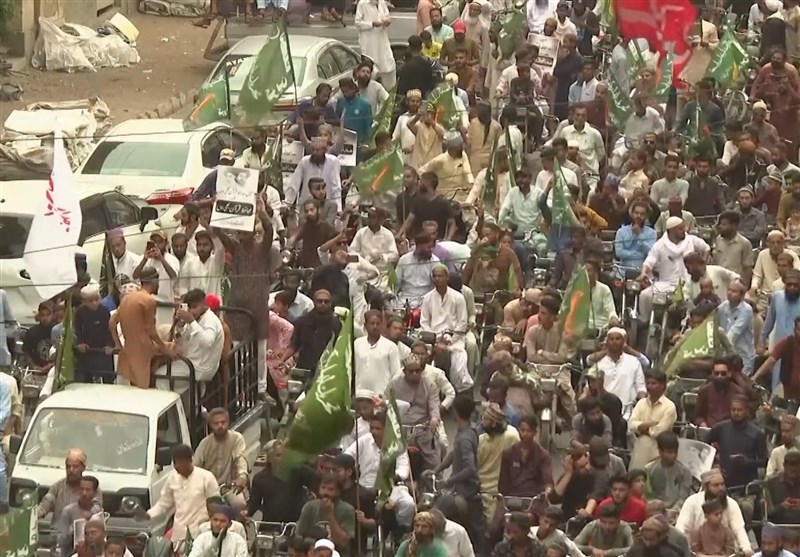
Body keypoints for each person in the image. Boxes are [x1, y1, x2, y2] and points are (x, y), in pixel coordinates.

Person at [343, 411, 415, 529]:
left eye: (378, 428)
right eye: (372, 428)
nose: (374, 432)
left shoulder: (397, 444)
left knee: (408, 504)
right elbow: (348, 456)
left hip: (392, 487)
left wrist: (392, 476)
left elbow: (404, 468)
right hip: (366, 487)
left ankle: (402, 532)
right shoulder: (364, 440)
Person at [636, 216, 709, 324]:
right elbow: (649, 261)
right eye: (680, 229)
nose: (684, 230)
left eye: (683, 228)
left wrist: (703, 265)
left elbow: (706, 248)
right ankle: (645, 323)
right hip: (666, 284)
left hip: (689, 283)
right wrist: (643, 273)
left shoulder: (691, 240)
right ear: (671, 231)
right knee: (644, 296)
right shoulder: (660, 245)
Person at [144, 444, 219, 545]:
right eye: (175, 462)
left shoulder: (206, 478)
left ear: (190, 460)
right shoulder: (172, 478)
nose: (177, 466)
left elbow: (216, 507)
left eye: (180, 462)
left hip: (201, 534)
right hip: (179, 535)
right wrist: (148, 515)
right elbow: (163, 504)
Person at [111, 267, 170, 388]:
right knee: (141, 391)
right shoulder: (148, 300)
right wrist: (164, 347)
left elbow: (112, 322)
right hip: (142, 352)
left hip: (127, 349)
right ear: (154, 281)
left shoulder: (126, 298)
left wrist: (117, 344)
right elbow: (151, 331)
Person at [420, 265, 473, 394]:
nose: (437, 279)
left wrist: (451, 338)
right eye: (435, 276)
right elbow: (424, 322)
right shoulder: (427, 298)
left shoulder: (458, 297)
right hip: (433, 339)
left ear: (447, 277)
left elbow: (462, 322)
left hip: (454, 339)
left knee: (459, 366)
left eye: (440, 276)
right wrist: (435, 338)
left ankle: (458, 393)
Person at [675, 469, 752, 555]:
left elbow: (739, 530)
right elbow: (681, 529)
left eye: (722, 484)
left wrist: (746, 548)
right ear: (706, 487)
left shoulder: (731, 504)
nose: (721, 488)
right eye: (716, 485)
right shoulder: (692, 502)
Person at [392, 355, 442, 472]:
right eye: (411, 371)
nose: (415, 374)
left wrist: (434, 417)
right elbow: (387, 402)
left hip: (422, 428)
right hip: (400, 429)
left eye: (417, 371)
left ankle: (432, 482)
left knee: (432, 459)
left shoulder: (429, 384)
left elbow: (434, 404)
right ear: (404, 371)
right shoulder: (394, 384)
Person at [706, 395, 768, 489]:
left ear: (746, 411)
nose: (736, 413)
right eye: (733, 409)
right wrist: (714, 463)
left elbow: (764, 461)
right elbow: (704, 444)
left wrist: (746, 462)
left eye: (739, 410)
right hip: (723, 483)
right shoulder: (721, 428)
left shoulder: (757, 433)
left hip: (746, 485)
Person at [193, 408, 248, 510]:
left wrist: (242, 476)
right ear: (210, 425)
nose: (220, 426)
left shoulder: (236, 438)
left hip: (230, 487)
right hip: (209, 490)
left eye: (223, 422)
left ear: (228, 422)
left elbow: (240, 458)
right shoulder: (205, 443)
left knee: (239, 504)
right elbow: (195, 467)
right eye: (216, 423)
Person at [478, 402, 521, 524]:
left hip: (492, 492)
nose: (482, 422)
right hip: (490, 491)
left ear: (494, 423)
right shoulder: (512, 434)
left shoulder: (482, 441)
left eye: (485, 419)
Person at [280, 289, 342, 373]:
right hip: (305, 367)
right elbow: (294, 345)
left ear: (330, 303)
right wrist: (282, 360)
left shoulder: (337, 324)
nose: (323, 304)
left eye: (326, 301)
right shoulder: (303, 321)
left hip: (326, 370)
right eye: (320, 301)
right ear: (314, 302)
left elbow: (339, 349)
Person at [295, 474, 355, 555]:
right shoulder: (309, 507)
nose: (325, 492)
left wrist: (330, 515)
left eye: (330, 489)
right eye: (323, 488)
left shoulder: (347, 510)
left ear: (338, 491)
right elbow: (298, 537)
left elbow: (343, 542)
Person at [629, 371, 677, 471]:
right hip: (641, 444)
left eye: (653, 383)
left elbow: (659, 431)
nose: (649, 387)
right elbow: (631, 424)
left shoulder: (669, 406)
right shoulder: (641, 403)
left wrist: (641, 428)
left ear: (662, 385)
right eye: (648, 383)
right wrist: (648, 424)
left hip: (659, 448)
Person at [498, 414, 554, 497]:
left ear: (535, 433)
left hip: (534, 499)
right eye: (522, 430)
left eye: (529, 431)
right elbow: (503, 484)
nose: (525, 434)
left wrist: (548, 490)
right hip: (512, 499)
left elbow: (548, 480)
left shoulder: (543, 455)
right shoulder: (508, 453)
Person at [74, 283, 115, 384]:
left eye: (97, 300)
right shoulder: (80, 313)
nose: (94, 303)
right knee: (87, 380)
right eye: (90, 301)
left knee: (108, 380)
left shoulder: (104, 311)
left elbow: (110, 330)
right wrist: (80, 343)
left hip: (103, 352)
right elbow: (77, 330)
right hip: (87, 352)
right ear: (83, 301)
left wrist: (110, 345)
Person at [644, 432, 693, 515]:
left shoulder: (684, 471)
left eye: (675, 452)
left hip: (678, 511)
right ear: (660, 452)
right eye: (669, 452)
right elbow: (648, 495)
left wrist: (674, 511)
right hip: (654, 511)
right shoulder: (649, 469)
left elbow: (683, 497)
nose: (673, 456)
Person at [54, 475, 103, 556]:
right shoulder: (68, 511)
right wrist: (75, 526)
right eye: (81, 489)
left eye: (88, 490)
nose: (84, 493)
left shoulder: (97, 511)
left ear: (94, 493)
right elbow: (61, 540)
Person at [694, 357, 746, 428]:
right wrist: (703, 424)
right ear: (712, 374)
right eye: (716, 373)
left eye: (723, 373)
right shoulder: (704, 391)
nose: (719, 376)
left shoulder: (738, 392)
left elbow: (743, 417)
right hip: (709, 430)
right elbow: (698, 416)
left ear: (729, 373)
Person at [615, 200, 657, 270]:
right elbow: (619, 253)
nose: (638, 216)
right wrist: (639, 255)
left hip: (643, 270)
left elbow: (651, 253)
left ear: (646, 216)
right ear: (632, 214)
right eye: (636, 213)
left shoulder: (652, 233)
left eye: (642, 214)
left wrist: (639, 234)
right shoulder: (621, 231)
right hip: (624, 270)